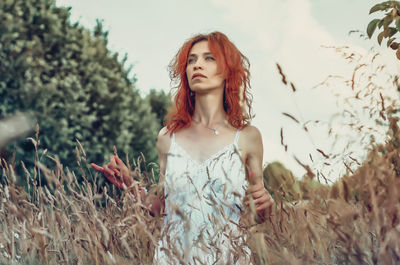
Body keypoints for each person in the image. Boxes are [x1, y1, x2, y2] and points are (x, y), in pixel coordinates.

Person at [91, 31, 274, 265]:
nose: (198, 64)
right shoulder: (168, 137)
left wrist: (266, 205)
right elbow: (162, 207)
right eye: (192, 60)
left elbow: (259, 212)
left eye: (209, 58)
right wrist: (130, 185)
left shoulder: (248, 137)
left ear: (228, 70)